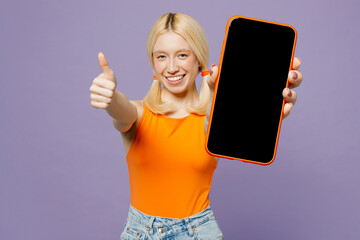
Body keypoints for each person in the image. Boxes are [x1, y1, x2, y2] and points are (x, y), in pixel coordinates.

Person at [89, 12, 302, 240]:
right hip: (140, 232)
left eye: (182, 55)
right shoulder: (138, 114)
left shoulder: (212, 120)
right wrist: (110, 97)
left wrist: (260, 111)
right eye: (161, 57)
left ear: (199, 59)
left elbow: (219, 122)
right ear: (153, 63)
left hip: (197, 233)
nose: (171, 67)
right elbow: (121, 111)